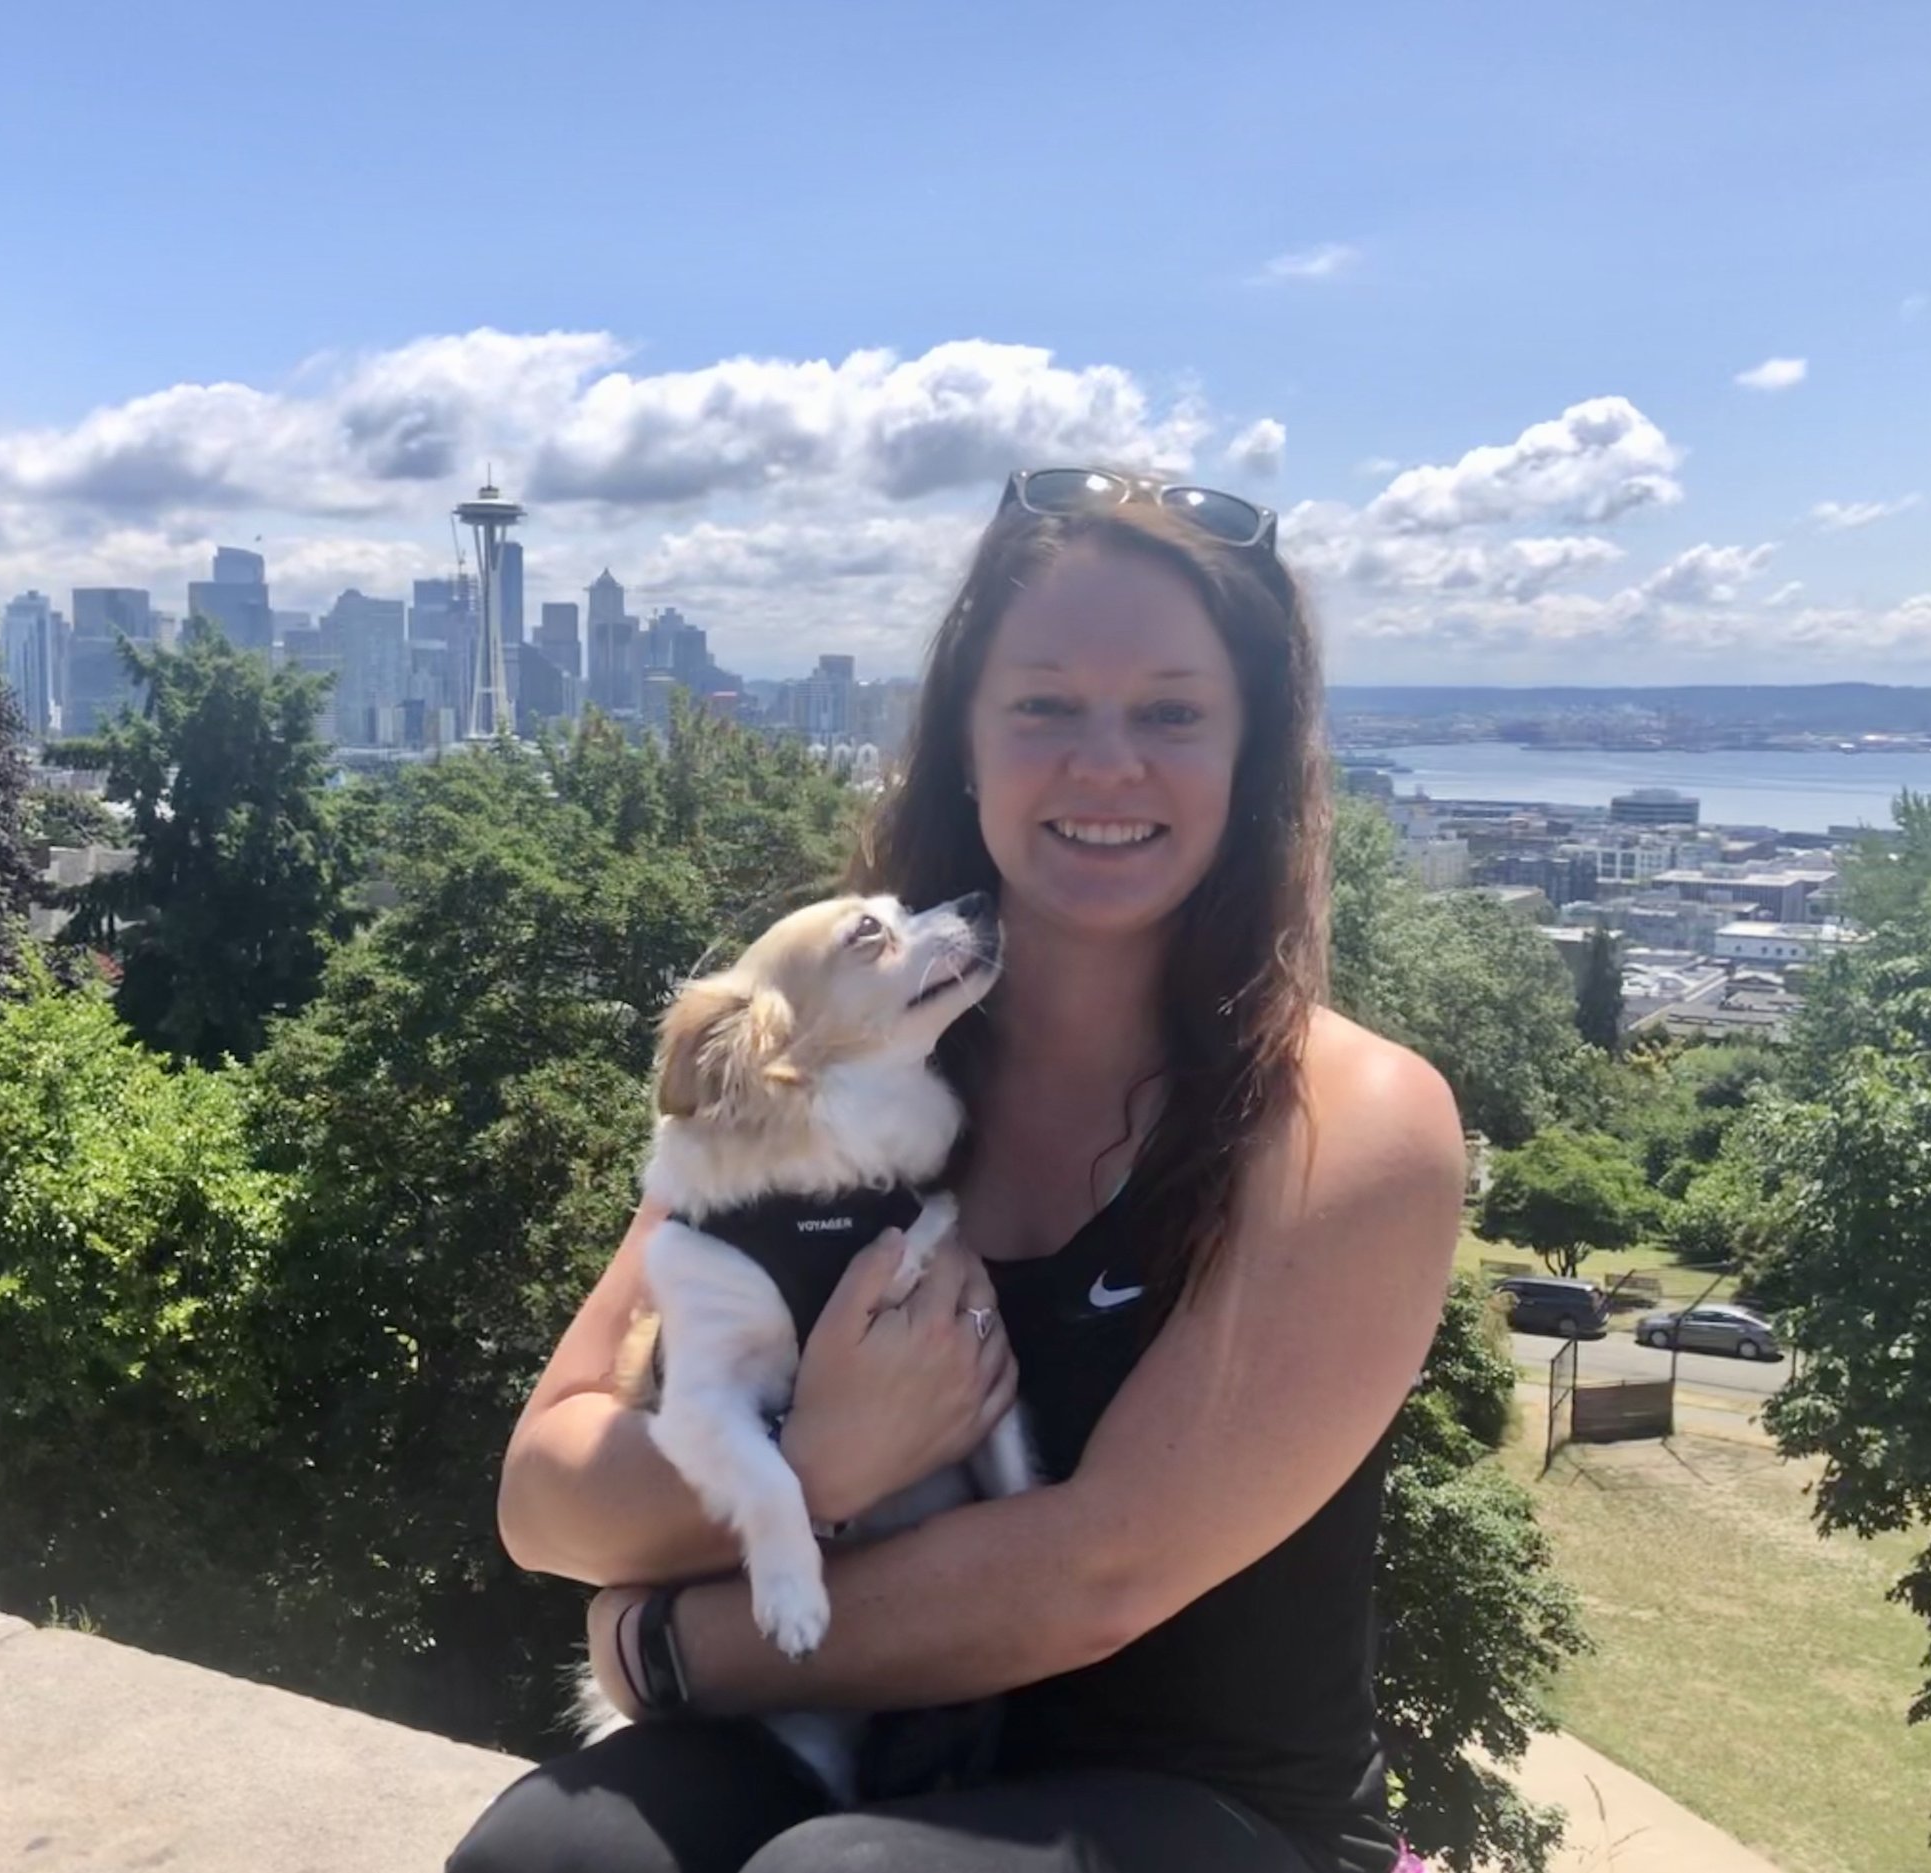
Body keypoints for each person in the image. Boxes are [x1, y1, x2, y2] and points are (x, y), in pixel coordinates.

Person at [451, 468, 1464, 1873]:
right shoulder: (824, 1069)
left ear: (1250, 753)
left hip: (1207, 1806)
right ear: (967, 747)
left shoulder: (1350, 1119)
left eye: (1171, 711)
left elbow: (1093, 1570)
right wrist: (815, 1471)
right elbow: (547, 1490)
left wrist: (676, 1646)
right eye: (1044, 703)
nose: (1105, 760)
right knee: (556, 1860)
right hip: (852, 1735)